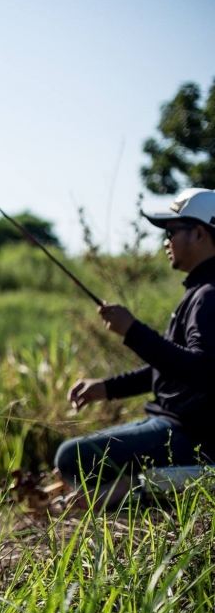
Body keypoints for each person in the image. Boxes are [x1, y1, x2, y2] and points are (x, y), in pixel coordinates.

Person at [54, 187, 215, 509]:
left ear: (198, 233)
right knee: (72, 458)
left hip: (190, 435)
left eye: (171, 232)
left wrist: (133, 331)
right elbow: (174, 367)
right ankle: (134, 487)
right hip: (172, 424)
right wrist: (106, 388)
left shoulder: (210, 295)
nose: (165, 241)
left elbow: (201, 370)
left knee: (71, 456)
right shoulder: (201, 290)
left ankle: (157, 487)